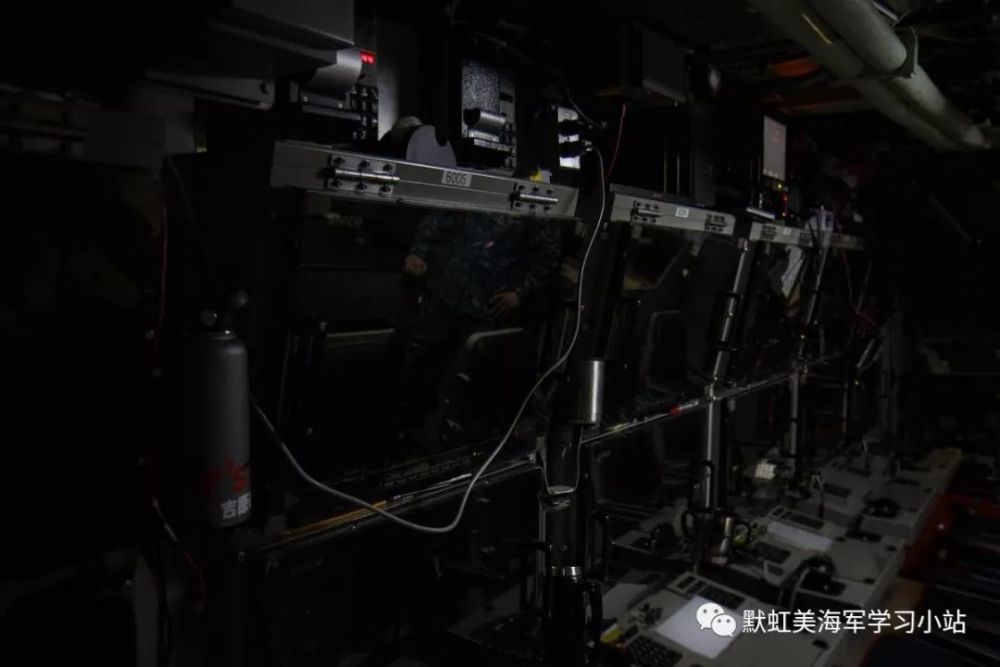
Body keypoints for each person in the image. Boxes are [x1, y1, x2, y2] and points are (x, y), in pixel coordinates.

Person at [398, 208, 563, 446]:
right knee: (423, 368)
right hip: (446, 292)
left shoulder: (532, 203)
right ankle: (411, 434)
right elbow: (440, 214)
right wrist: (418, 252)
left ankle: (450, 441)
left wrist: (520, 293)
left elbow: (549, 252)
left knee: (466, 380)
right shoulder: (481, 188)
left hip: (487, 306)